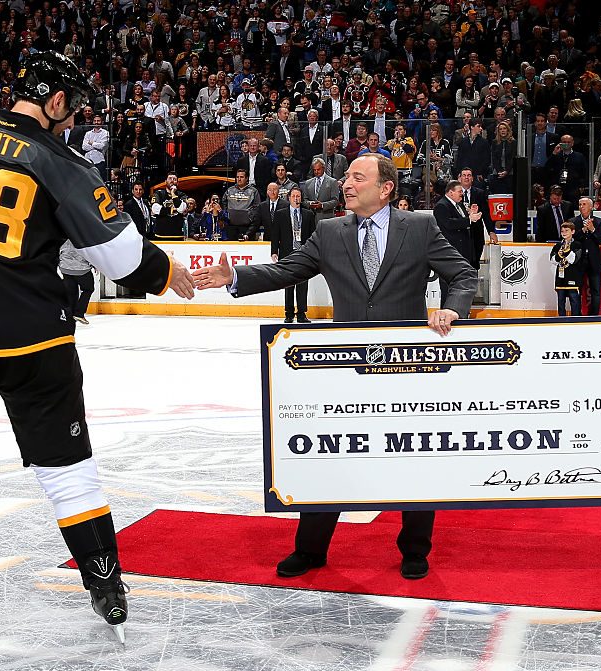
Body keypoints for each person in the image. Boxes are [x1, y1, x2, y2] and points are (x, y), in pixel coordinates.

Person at [0, 53, 195, 644]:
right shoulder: (61, 161)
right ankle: (106, 587)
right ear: (53, 104)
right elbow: (125, 261)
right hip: (36, 336)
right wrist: (165, 271)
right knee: (67, 468)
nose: (72, 120)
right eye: (71, 108)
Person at [191, 154, 477, 581]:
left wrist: (452, 311)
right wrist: (235, 279)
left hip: (406, 372)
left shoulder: (419, 226)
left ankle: (415, 550)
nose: (346, 183)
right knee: (330, 457)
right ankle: (310, 550)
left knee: (413, 459)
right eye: (346, 176)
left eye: (357, 177)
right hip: (344, 370)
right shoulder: (328, 230)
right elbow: (287, 270)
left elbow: (463, 276)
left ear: (385, 188)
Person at [432, 180, 482, 308]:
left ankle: (460, 311)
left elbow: (463, 221)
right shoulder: (441, 206)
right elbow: (449, 224)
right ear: (450, 192)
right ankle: (446, 311)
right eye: (459, 191)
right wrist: (469, 219)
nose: (462, 194)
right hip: (450, 253)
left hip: (463, 252)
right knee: (448, 286)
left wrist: (471, 214)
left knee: (461, 285)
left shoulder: (458, 205)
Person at [271, 186, 316, 323]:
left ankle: (301, 313)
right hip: (287, 253)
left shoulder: (308, 214)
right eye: (294, 196)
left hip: (303, 254)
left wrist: (312, 252)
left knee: (303, 285)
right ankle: (288, 313)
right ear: (289, 198)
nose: (296, 199)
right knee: (288, 285)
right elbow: (275, 235)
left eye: (298, 196)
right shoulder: (280, 214)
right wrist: (274, 251)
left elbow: (312, 236)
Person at [572, 197, 601, 315]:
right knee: (576, 290)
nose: (581, 206)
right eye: (580, 204)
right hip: (578, 260)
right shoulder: (573, 221)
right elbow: (572, 239)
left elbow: (600, 240)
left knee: (596, 290)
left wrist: (592, 230)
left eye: (584, 204)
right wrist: (583, 230)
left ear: (591, 207)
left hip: (594, 260)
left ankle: (594, 316)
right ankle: (576, 315)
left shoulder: (598, 222)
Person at [551, 222, 584, 316]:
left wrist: (566, 251)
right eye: (562, 231)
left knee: (574, 301)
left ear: (573, 231)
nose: (564, 233)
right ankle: (561, 322)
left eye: (566, 230)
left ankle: (576, 321)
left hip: (573, 278)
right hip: (560, 279)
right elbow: (553, 260)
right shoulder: (557, 246)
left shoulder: (577, 245)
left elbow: (574, 260)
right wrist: (558, 255)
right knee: (561, 302)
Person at [59, 241, 95, 324]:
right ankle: (79, 313)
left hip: (65, 267)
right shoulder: (83, 236)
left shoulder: (64, 237)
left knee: (71, 292)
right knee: (88, 289)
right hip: (81, 269)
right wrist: (94, 265)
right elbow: (90, 253)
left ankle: (69, 316)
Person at [221, 169, 260, 240]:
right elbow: (224, 202)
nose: (239, 179)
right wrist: (228, 215)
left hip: (246, 227)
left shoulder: (253, 191)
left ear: (247, 178)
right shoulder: (229, 190)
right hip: (231, 226)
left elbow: (257, 208)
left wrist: (250, 217)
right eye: (237, 177)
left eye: (241, 177)